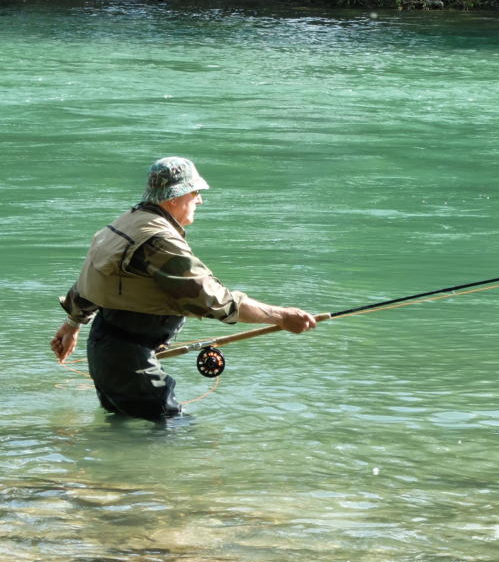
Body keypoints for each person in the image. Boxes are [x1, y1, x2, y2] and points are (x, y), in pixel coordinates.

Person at [50, 156, 316, 421]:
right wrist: (281, 316)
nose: (199, 200)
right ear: (174, 198)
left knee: (122, 427)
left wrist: (72, 324)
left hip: (106, 350)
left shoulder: (126, 223)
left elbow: (91, 283)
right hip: (127, 360)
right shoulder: (159, 240)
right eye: (195, 192)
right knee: (176, 432)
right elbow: (214, 300)